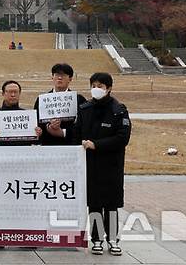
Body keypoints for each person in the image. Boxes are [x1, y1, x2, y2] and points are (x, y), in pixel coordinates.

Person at [72, 72, 131, 256]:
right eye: (94, 85)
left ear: (109, 88)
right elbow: (76, 133)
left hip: (111, 164)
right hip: (90, 165)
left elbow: (123, 138)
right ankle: (96, 239)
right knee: (95, 203)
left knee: (111, 204)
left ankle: (113, 240)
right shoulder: (84, 109)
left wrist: (96, 144)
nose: (96, 89)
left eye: (101, 86)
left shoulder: (119, 110)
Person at [33, 63, 87, 145]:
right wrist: (48, 127)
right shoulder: (42, 99)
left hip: (71, 145)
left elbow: (84, 125)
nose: (59, 78)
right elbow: (37, 124)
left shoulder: (79, 99)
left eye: (64, 75)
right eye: (57, 75)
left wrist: (63, 132)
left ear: (70, 78)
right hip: (48, 145)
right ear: (52, 77)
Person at [0, 80, 42, 146]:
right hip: (1, 154)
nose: (13, 95)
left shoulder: (28, 117)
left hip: (24, 153)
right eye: (9, 92)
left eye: (15, 92)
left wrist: (39, 134)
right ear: (3, 94)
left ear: (19, 93)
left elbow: (36, 142)